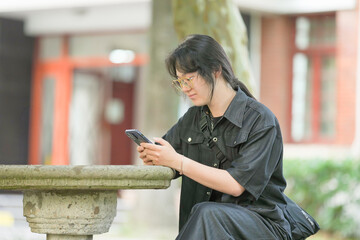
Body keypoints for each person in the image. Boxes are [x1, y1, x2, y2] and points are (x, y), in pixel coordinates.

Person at [137, 34, 292, 239]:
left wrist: (178, 161)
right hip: (205, 227)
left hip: (261, 225)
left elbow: (235, 185)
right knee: (205, 213)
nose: (184, 88)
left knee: (207, 213)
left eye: (189, 79)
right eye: (179, 82)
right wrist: (154, 155)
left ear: (216, 70)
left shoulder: (261, 120)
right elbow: (169, 157)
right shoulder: (192, 118)